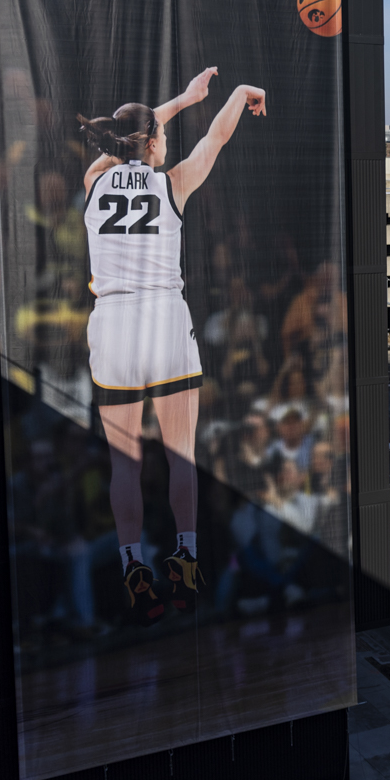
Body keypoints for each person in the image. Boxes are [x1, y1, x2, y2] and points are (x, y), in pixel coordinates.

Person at [79, 67, 267, 625]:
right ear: (156, 142)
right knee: (180, 454)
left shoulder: (94, 178)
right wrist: (231, 94)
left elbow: (126, 143)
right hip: (165, 322)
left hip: (112, 329)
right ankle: (185, 557)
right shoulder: (173, 183)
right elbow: (218, 137)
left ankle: (133, 566)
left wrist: (176, 102)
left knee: (124, 467)